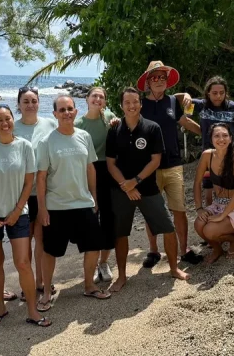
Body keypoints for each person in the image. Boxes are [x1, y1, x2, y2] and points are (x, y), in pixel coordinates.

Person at [0, 104, 51, 327]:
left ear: (13, 119)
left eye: (8, 118)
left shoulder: (25, 147)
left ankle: (33, 311)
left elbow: (29, 182)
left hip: (19, 213)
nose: (5, 123)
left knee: (23, 263)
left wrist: (17, 210)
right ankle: (0, 307)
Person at [106, 87, 190, 292]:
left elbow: (155, 160)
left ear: (140, 104)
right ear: (121, 106)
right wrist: (126, 186)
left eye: (135, 101)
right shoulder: (114, 130)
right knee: (120, 234)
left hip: (147, 187)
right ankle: (122, 276)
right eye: (127, 102)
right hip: (121, 190)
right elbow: (110, 163)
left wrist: (135, 181)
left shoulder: (152, 128)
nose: (132, 105)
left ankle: (173, 268)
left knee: (168, 229)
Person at [36, 95, 112, 312]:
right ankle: (47, 293)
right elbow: (41, 177)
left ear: (76, 111)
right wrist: (42, 208)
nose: (66, 113)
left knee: (93, 246)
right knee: (50, 251)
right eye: (62, 110)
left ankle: (89, 286)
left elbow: (91, 168)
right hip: (56, 206)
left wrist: (94, 197)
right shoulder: (46, 141)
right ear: (55, 114)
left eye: (70, 108)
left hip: (83, 203)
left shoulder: (84, 136)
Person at [136, 61, 203, 266]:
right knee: (152, 211)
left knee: (179, 209)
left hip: (173, 164)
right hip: (149, 166)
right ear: (148, 82)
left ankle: (184, 250)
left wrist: (208, 134)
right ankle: (153, 250)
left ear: (167, 81)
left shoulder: (173, 102)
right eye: (154, 77)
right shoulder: (139, 104)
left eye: (162, 77)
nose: (159, 81)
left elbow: (185, 122)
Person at [13, 86, 58, 298]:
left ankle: (41, 282)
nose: (30, 105)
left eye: (34, 100)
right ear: (19, 104)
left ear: (39, 103)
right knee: (25, 240)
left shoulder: (51, 124)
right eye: (26, 101)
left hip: (44, 192)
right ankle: (27, 283)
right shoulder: (11, 127)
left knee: (41, 239)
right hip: (20, 193)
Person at [74, 87, 118, 283]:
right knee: (89, 219)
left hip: (107, 170)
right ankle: (90, 263)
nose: (98, 99)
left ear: (105, 102)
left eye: (101, 97)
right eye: (94, 96)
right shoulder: (78, 123)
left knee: (108, 218)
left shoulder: (109, 117)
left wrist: (116, 123)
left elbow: (121, 130)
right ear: (87, 99)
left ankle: (104, 262)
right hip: (85, 171)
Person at [193, 123, 234, 263]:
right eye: (217, 136)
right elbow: (196, 183)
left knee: (209, 230)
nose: (221, 139)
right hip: (218, 204)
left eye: (225, 135)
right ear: (211, 139)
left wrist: (222, 215)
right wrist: (199, 208)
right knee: (199, 224)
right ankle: (217, 249)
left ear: (231, 138)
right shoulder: (207, 156)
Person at [187, 76, 234, 207]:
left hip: (229, 154)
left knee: (230, 187)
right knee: (209, 190)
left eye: (222, 93)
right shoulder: (201, 105)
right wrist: (202, 131)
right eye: (215, 93)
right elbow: (184, 115)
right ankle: (211, 215)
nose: (218, 96)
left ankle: (231, 216)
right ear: (208, 93)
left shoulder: (231, 106)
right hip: (208, 155)